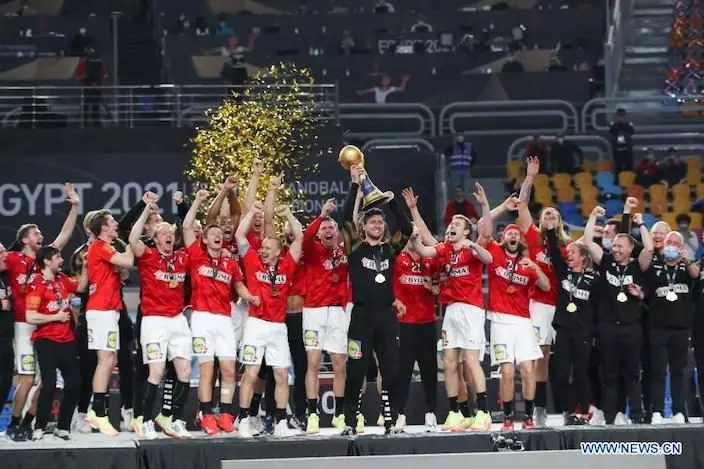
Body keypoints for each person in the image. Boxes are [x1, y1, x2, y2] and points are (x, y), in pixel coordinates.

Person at [409, 184, 494, 432]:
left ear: (466, 231)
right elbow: (424, 248)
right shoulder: (444, 249)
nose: (451, 227)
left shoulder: (471, 248)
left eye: (456, 224)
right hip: (451, 310)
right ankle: (455, 412)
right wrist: (414, 235)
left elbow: (488, 258)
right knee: (449, 361)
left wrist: (474, 245)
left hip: (471, 309)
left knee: (471, 361)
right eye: (450, 224)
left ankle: (484, 413)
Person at [340, 165, 413, 435]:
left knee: (391, 371)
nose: (377, 225)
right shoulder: (355, 248)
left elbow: (406, 229)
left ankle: (390, 421)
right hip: (361, 318)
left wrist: (393, 205)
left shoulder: (390, 250)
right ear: (364, 227)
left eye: (380, 223)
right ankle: (350, 422)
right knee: (355, 370)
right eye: (372, 222)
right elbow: (345, 219)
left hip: (386, 318)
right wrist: (354, 185)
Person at [3, 183, 79, 441]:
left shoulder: (45, 259)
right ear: (24, 239)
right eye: (36, 233)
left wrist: (74, 206)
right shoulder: (12, 258)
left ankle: (29, 420)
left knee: (46, 381)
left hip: (47, 328)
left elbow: (65, 235)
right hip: (24, 324)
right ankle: (14, 423)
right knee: (27, 378)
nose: (41, 236)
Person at [182, 189, 257, 435]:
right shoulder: (196, 256)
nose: (217, 236)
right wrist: (197, 201)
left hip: (225, 319)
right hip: (202, 318)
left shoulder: (230, 263)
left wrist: (252, 297)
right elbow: (186, 227)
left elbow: (239, 286)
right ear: (204, 239)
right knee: (206, 369)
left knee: (228, 369)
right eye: (212, 233)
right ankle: (206, 415)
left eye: (219, 234)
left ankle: (225, 414)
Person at [235, 203, 303, 438]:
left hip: (278, 327)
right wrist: (252, 213)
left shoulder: (287, 265)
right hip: (256, 325)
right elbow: (240, 235)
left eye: (267, 248)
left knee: (282, 375)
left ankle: (281, 423)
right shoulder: (252, 261)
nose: (262, 250)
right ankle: (244, 420)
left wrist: (289, 214)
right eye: (262, 247)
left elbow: (299, 238)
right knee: (251, 373)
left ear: (277, 252)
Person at [583, 206, 653, 425]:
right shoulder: (606, 263)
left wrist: (641, 224)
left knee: (632, 373)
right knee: (609, 374)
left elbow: (650, 248)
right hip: (607, 327)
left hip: (631, 327)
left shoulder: (637, 266)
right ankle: (611, 417)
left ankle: (637, 415)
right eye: (614, 246)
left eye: (620, 246)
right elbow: (588, 243)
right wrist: (592, 217)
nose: (615, 249)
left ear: (630, 248)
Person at [129, 204, 193, 439]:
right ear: (155, 238)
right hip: (154, 321)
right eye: (163, 232)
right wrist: (146, 212)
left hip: (177, 320)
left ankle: (175, 420)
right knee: (155, 372)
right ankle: (145, 421)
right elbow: (133, 238)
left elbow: (197, 245)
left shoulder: (182, 258)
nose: (168, 235)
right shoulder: (147, 256)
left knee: (185, 371)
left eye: (170, 232)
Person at [516, 156, 569, 427]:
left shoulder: (566, 247)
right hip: (539, 304)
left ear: (559, 222)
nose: (549, 217)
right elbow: (522, 205)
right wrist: (530, 177)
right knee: (541, 356)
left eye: (554, 215)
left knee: (564, 360)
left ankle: (569, 407)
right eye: (546, 214)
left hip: (561, 305)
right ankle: (539, 407)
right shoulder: (534, 239)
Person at [485, 219, 550, 430]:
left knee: (528, 370)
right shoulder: (495, 253)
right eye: (509, 233)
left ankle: (529, 417)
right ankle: (507, 418)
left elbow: (546, 286)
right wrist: (491, 205)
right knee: (507, 372)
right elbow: (484, 229)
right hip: (500, 321)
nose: (513, 236)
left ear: (521, 240)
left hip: (523, 322)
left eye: (516, 234)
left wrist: (536, 268)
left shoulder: (526, 263)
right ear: (503, 238)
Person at [25, 246, 86, 441]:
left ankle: (63, 427)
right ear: (46, 261)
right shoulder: (37, 283)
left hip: (67, 341)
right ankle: (39, 427)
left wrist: (86, 265)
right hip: (46, 341)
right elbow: (30, 316)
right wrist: (55, 317)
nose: (61, 260)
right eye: (57, 257)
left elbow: (81, 287)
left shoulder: (62, 279)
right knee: (49, 385)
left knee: (75, 385)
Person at [85, 210, 135, 435]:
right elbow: (129, 261)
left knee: (110, 359)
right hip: (101, 310)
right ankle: (97, 411)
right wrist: (132, 241)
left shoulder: (105, 248)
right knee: (105, 360)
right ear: (104, 227)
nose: (116, 224)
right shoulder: (100, 246)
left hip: (109, 310)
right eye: (112, 221)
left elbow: (122, 271)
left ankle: (97, 411)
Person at [301, 198, 349, 433]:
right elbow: (305, 237)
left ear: (337, 233)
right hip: (314, 311)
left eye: (332, 227)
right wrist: (321, 215)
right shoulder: (313, 249)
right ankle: (312, 413)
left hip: (338, 311)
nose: (328, 231)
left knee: (340, 363)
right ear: (319, 234)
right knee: (313, 362)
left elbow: (353, 228)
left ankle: (339, 414)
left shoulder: (345, 251)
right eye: (324, 229)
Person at [644, 231, 699, 424]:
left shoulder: (686, 268)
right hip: (658, 327)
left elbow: (696, 274)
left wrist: (687, 260)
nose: (672, 246)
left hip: (681, 328)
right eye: (669, 242)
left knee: (678, 371)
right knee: (657, 371)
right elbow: (646, 291)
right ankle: (657, 411)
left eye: (676, 243)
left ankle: (679, 412)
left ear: (681, 247)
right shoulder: (655, 267)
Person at [545, 233, 596, 424]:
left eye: (573, 252)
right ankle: (568, 409)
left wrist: (594, 332)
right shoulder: (564, 273)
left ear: (582, 257)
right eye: (568, 252)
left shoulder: (593, 278)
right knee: (562, 373)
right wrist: (551, 232)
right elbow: (555, 254)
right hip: (564, 330)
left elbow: (598, 306)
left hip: (583, 331)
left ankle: (584, 410)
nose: (569, 254)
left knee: (581, 373)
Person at [445, 133, 477, 197]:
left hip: (466, 170)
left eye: (461, 136)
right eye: (458, 136)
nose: (459, 138)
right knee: (457, 189)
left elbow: (474, 158)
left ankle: (464, 199)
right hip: (455, 171)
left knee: (466, 188)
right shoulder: (451, 148)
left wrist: (469, 166)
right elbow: (446, 156)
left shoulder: (469, 148)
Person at [0, 243, 11, 422]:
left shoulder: (5, 276)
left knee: (6, 381)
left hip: (6, 338)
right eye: (0, 252)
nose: (5, 255)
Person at [608, 108, 635, 174]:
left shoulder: (629, 124)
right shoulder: (613, 124)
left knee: (629, 167)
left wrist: (624, 123)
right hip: (617, 149)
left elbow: (631, 131)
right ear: (616, 116)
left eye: (622, 115)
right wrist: (618, 123)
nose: (620, 117)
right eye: (619, 115)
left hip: (627, 149)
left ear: (625, 116)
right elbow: (612, 132)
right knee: (618, 167)